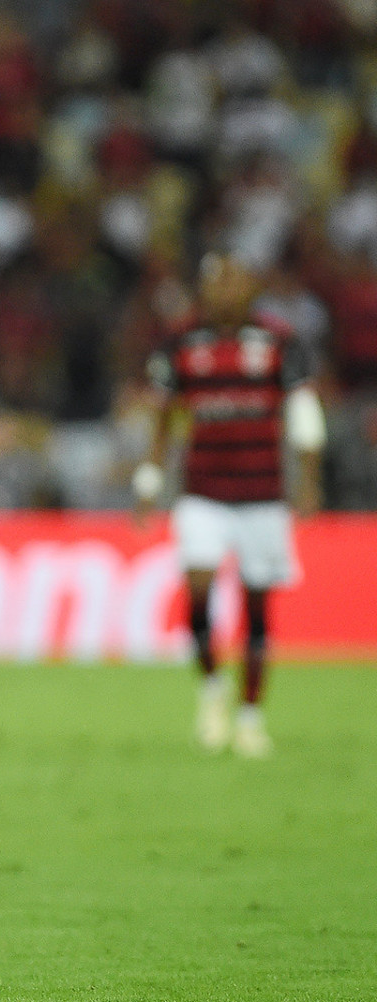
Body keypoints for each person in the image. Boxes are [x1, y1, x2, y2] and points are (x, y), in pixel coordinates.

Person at [137, 252, 324, 758]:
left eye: (233, 281)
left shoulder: (279, 343)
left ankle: (250, 715)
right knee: (198, 588)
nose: (223, 291)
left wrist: (307, 482)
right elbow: (162, 417)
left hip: (262, 494)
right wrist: (151, 478)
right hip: (203, 492)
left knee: (257, 607)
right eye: (215, 282)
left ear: (251, 288)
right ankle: (212, 688)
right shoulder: (182, 343)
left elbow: (304, 413)